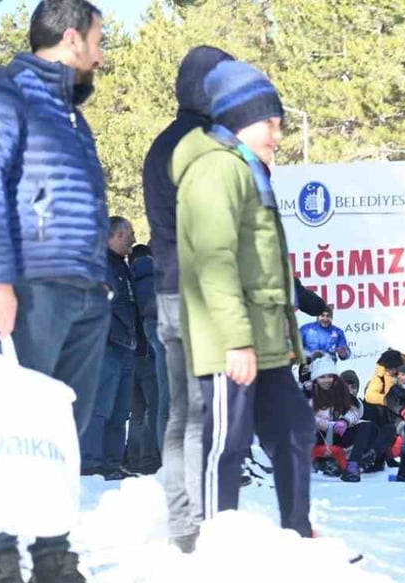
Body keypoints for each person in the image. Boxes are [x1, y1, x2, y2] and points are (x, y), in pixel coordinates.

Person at [0, 0, 114, 583]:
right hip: (31, 288)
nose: (102, 55)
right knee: (12, 430)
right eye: (98, 41)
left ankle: (54, 560)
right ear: (71, 38)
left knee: (62, 434)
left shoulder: (71, 113)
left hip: (85, 289)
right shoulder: (7, 93)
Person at [176, 59, 314, 537]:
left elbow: (266, 267)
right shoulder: (216, 170)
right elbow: (214, 260)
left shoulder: (250, 170)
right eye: (270, 123)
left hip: (265, 340)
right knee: (228, 444)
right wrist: (235, 339)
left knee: (295, 428)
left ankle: (299, 532)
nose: (278, 134)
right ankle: (216, 543)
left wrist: (284, 337)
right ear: (240, 119)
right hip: (229, 341)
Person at [143, 43, 234, 554]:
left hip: (167, 289)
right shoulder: (205, 145)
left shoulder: (162, 144)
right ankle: (203, 524)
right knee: (205, 415)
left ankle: (182, 522)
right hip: (202, 291)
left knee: (181, 413)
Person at [80, 216, 138, 479]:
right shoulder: (98, 264)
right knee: (100, 407)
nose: (134, 240)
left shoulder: (123, 266)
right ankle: (91, 462)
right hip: (107, 345)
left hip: (127, 346)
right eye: (129, 234)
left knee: (121, 410)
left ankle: (112, 463)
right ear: (115, 235)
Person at [308, 357, 382, 483]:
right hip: (321, 436)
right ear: (316, 379)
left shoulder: (342, 393)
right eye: (322, 377)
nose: (326, 380)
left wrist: (345, 421)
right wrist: (327, 424)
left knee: (368, 426)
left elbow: (355, 410)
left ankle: (353, 466)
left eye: (329, 376)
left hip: (341, 433)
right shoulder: (311, 398)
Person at [125, 243, 163, 473]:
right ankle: (149, 460)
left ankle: (133, 459)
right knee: (155, 408)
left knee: (137, 413)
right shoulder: (155, 279)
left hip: (129, 352)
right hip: (150, 353)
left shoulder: (126, 278)